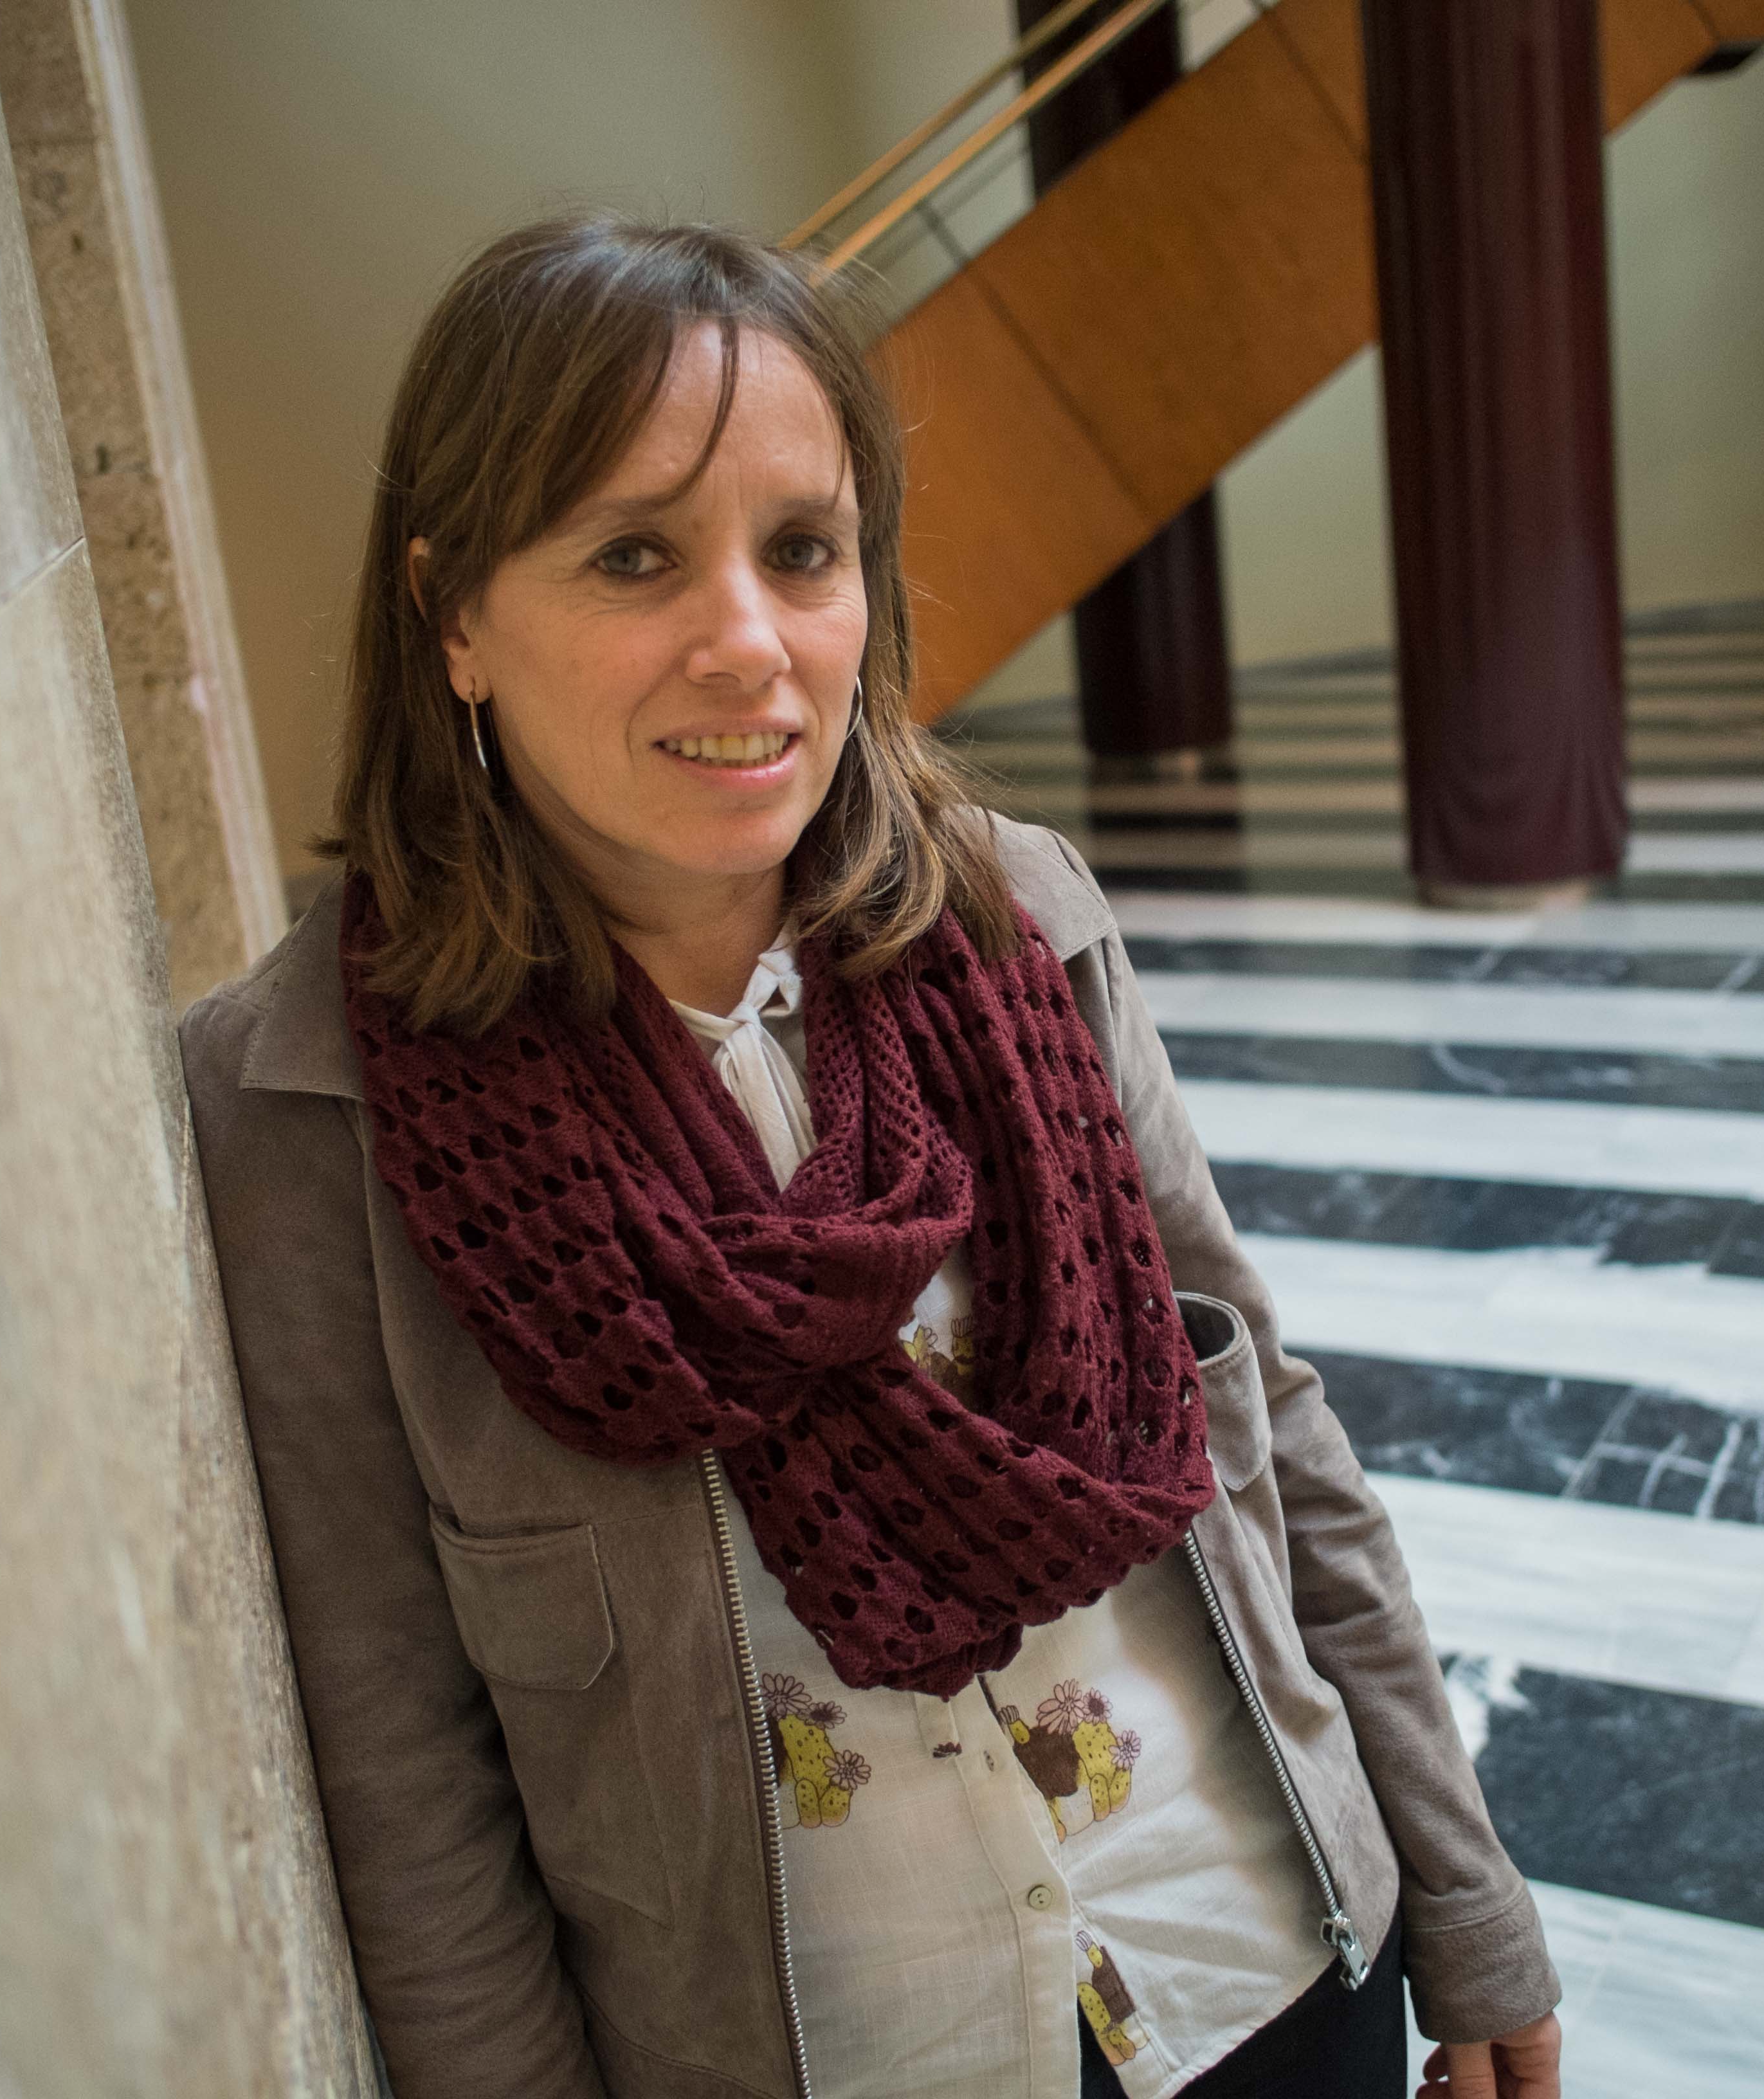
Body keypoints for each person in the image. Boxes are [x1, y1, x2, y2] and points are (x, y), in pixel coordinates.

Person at [180, 214, 1564, 2099]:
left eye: (802, 551)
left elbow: (1272, 1438)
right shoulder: (303, 1118)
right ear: (454, 616)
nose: (747, 640)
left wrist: (1472, 1911)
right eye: (633, 554)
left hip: (1259, 1969)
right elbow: (406, 1772)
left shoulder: (1018, 924)